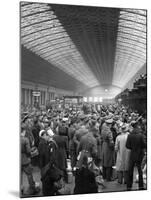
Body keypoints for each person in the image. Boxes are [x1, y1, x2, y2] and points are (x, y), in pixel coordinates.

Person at [126, 121, 146, 190]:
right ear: (137, 126)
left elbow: (127, 146)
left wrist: (133, 148)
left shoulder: (130, 135)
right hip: (140, 155)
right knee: (140, 171)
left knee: (130, 170)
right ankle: (141, 186)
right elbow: (144, 145)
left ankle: (129, 186)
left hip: (132, 155)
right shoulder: (141, 135)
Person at [21, 126, 39, 195]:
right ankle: (32, 188)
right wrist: (33, 151)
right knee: (29, 174)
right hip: (25, 159)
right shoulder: (25, 139)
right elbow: (28, 151)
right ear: (23, 131)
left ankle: (21, 188)